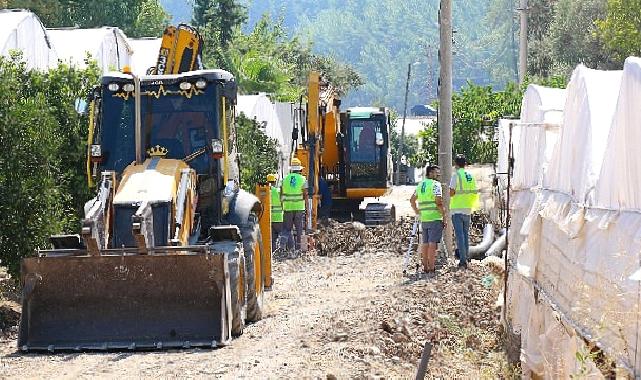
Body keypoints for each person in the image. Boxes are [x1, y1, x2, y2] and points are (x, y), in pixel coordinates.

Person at [410, 165, 446, 277]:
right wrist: (444, 216)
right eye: (436, 172)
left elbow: (412, 200)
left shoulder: (420, 185)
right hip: (435, 217)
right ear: (430, 173)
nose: (438, 175)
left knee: (425, 243)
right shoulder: (436, 185)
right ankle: (431, 268)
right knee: (432, 244)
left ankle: (425, 267)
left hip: (424, 218)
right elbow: (438, 202)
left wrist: (418, 211)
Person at [449, 154, 479, 269]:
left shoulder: (456, 175)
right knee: (465, 235)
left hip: (457, 209)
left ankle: (462, 261)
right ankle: (466, 257)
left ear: (455, 164)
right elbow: (475, 192)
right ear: (465, 164)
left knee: (460, 236)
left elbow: (451, 192)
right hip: (467, 209)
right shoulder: (470, 176)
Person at [280, 158, 309, 254]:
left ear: (291, 169)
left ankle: (286, 248)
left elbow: (281, 195)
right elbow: (305, 195)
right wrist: (307, 209)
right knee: (299, 230)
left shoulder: (285, 179)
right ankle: (300, 249)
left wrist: (283, 206)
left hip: (288, 208)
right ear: (300, 169)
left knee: (287, 230)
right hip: (299, 208)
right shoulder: (303, 179)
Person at [267, 173, 283, 252]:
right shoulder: (277, 191)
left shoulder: (265, 191)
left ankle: (273, 251)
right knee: (283, 234)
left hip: (269, 219)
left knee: (272, 238)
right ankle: (282, 251)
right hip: (279, 218)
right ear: (274, 182)